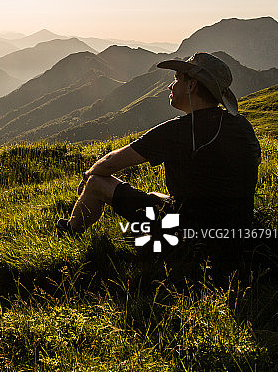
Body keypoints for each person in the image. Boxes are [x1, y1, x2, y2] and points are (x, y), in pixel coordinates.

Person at [57, 52, 261, 237]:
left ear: (191, 86)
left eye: (177, 79)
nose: (171, 86)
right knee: (156, 196)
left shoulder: (177, 131)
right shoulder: (242, 125)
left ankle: (70, 231)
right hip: (238, 228)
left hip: (190, 230)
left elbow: (110, 164)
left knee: (96, 183)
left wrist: (88, 175)